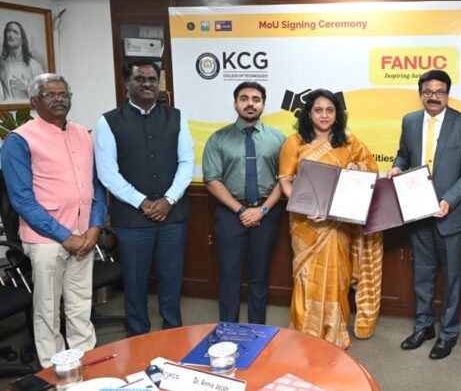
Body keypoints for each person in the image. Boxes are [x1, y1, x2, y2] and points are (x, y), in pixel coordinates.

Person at [0, 73, 107, 367]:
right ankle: (53, 365)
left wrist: (95, 226)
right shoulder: (19, 140)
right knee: (47, 307)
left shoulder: (82, 133)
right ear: (34, 102)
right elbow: (22, 200)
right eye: (50, 94)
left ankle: (85, 358)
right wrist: (64, 236)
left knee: (80, 302)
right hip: (46, 238)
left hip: (84, 233)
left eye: (64, 94)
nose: (59, 99)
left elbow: (96, 185)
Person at [94, 60, 194, 336]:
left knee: (171, 279)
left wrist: (169, 200)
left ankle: (172, 332)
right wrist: (141, 201)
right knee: (135, 282)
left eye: (152, 79)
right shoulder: (108, 122)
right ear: (127, 83)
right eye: (140, 79)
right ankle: (137, 336)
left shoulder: (176, 117)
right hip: (132, 219)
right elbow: (107, 172)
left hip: (172, 216)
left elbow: (187, 162)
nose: (147, 84)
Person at [278, 89, 382, 349]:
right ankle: (305, 335)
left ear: (337, 114)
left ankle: (334, 334)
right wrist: (305, 208)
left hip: (336, 222)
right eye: (318, 110)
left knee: (336, 277)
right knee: (306, 277)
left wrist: (355, 169)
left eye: (329, 110)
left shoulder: (348, 141)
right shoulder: (294, 142)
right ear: (308, 113)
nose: (324, 115)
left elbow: (371, 170)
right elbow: (285, 181)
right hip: (305, 222)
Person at [389, 69, 461, 360]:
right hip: (418, 213)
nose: (433, 97)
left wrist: (448, 200)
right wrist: (396, 166)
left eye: (440, 92)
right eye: (428, 91)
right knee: (422, 275)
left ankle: (448, 333)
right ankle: (424, 326)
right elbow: (403, 154)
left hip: (450, 215)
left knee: (452, 278)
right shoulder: (410, 121)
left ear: (447, 94)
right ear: (420, 94)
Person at [202, 82, 285, 324]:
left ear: (263, 105)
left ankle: (257, 330)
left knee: (260, 276)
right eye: (244, 98)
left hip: (267, 213)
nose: (250, 103)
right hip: (230, 213)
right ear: (235, 103)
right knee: (229, 276)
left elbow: (284, 179)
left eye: (256, 99)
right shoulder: (218, 139)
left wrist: (262, 210)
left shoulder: (278, 139)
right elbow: (212, 181)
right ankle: (228, 329)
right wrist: (241, 210)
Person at [0, 21, 45, 101]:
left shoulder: (34, 66)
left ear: (22, 39)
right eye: (8, 31)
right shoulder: (2, 64)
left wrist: (28, 88)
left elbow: (45, 93)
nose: (10, 35)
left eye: (15, 32)